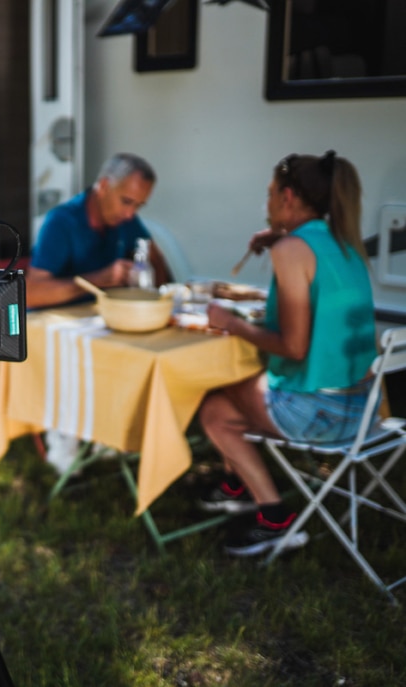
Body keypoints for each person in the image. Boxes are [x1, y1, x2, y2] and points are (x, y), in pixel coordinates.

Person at [196, 151, 376, 557]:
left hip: (322, 414)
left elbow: (293, 346)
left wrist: (233, 323)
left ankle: (274, 517)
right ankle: (239, 490)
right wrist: (279, 238)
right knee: (218, 411)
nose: (268, 203)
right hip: (366, 408)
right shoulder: (343, 241)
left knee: (215, 394)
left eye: (271, 194)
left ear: (288, 196)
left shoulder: (292, 251)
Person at [25, 152, 172, 309]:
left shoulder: (127, 220)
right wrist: (98, 279)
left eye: (138, 206)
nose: (130, 214)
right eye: (126, 201)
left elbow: (157, 261)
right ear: (103, 186)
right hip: (57, 325)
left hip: (98, 320)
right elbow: (30, 294)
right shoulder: (61, 222)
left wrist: (144, 272)